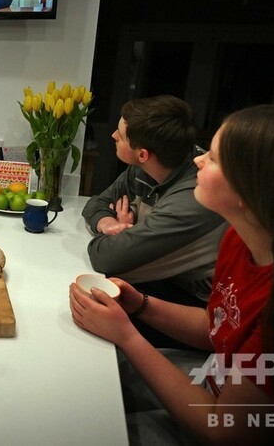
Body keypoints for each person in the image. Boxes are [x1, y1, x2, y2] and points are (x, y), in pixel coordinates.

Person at [70, 104, 274, 444]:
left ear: (253, 188)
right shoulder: (238, 241)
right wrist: (141, 304)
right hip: (212, 378)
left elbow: (223, 431)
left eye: (214, 158)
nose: (198, 160)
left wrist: (127, 336)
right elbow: (218, 327)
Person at [82, 96, 227, 317]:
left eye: (120, 134)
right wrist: (108, 223)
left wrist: (123, 236)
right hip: (159, 281)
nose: (113, 136)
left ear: (143, 154)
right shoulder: (145, 167)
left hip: (195, 305)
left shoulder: (194, 196)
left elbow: (106, 257)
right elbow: (96, 203)